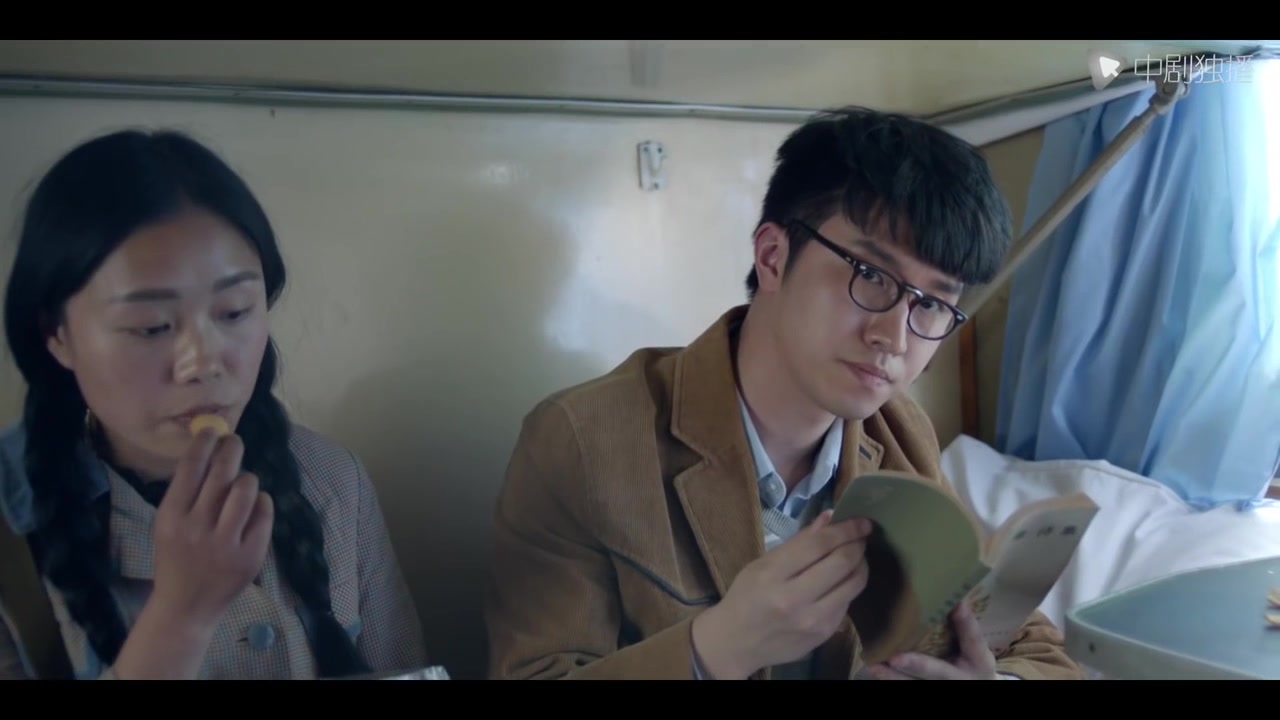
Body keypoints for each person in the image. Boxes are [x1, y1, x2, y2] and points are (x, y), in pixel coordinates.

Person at [484, 106, 1086, 681]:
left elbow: (1033, 647)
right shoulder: (583, 439)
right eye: (870, 275)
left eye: (931, 303)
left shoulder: (900, 433)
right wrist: (715, 649)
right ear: (773, 257)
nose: (894, 337)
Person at [0, 129, 428, 680]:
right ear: (56, 335)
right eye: (151, 325)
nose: (203, 362)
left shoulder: (333, 482)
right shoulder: (14, 529)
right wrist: (181, 616)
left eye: (234, 312)